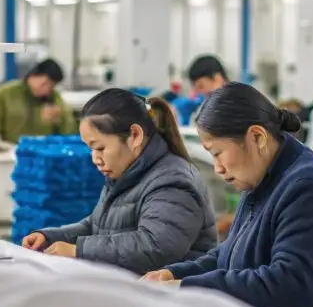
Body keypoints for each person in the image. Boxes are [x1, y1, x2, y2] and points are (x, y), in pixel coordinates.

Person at [142, 82, 313, 307]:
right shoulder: (262, 179)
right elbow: (227, 257)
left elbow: (289, 287)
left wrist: (185, 288)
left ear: (256, 138)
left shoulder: (308, 188)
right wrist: (174, 274)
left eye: (218, 153)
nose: (217, 168)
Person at [21, 88, 218, 275]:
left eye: (99, 148)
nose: (95, 158)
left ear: (135, 135)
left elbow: (155, 246)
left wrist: (77, 250)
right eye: (91, 149)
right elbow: (96, 226)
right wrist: (50, 237)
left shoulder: (172, 182)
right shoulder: (126, 173)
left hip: (176, 301)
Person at [0, 58, 78, 144]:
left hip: (43, 152)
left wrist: (59, 119)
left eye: (52, 86)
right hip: (9, 152)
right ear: (33, 76)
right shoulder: (4, 94)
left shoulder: (54, 97)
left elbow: (69, 133)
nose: (47, 90)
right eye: (44, 83)